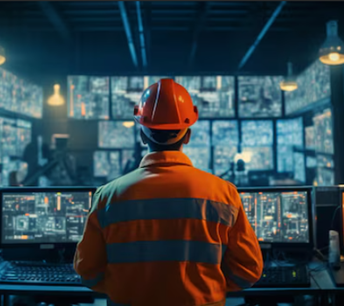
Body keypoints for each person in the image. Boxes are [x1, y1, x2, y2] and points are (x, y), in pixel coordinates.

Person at [74, 79, 263, 306]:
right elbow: (248, 271)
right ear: (188, 135)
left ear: (143, 137)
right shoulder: (224, 194)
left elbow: (88, 272)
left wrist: (123, 287)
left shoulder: (107, 197)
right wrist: (209, 288)